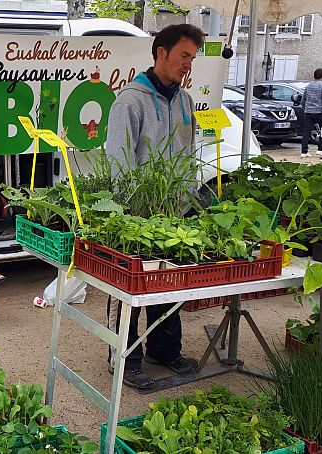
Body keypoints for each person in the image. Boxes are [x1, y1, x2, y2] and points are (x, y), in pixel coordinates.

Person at [103, 24, 203, 389]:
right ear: (161, 51)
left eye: (192, 57)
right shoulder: (130, 100)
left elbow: (190, 154)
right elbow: (118, 160)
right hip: (136, 216)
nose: (188, 64)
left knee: (169, 283)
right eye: (184, 55)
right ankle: (125, 360)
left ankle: (165, 350)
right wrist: (130, 212)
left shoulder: (185, 100)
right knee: (131, 287)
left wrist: (189, 199)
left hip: (174, 215)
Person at [301, 68, 322, 157]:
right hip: (319, 111)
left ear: (314, 76)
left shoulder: (308, 86)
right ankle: (320, 148)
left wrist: (306, 109)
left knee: (307, 131)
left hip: (308, 112)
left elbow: (303, 100)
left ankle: (304, 151)